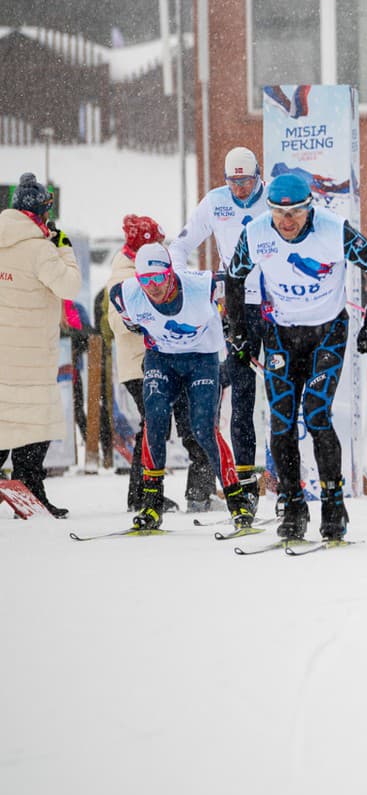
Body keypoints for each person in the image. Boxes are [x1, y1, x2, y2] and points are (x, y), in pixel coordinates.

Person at [226, 171, 367, 542]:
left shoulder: (333, 230)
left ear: (309, 208)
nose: (286, 221)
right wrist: (238, 330)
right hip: (282, 336)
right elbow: (234, 279)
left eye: (296, 213)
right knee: (281, 423)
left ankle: (333, 504)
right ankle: (293, 504)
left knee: (316, 413)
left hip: (327, 333)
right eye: (278, 213)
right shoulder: (256, 234)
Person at [110, 245, 251, 531]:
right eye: (145, 280)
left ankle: (238, 501)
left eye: (158, 279)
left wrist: (235, 325)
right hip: (162, 360)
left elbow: (239, 279)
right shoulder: (124, 294)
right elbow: (129, 320)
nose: (153, 288)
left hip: (202, 360)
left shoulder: (201, 285)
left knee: (202, 428)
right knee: (155, 417)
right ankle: (151, 503)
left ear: (171, 273)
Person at [170, 147, 269, 503]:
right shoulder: (215, 202)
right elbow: (178, 248)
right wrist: (202, 285)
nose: (240, 189)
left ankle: (289, 479)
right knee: (242, 398)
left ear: (258, 174)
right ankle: (244, 484)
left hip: (275, 308)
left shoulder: (274, 198)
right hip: (238, 308)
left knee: (282, 393)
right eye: (233, 182)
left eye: (246, 181)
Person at [104, 214, 212, 512]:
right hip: (143, 363)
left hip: (166, 358)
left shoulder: (142, 267)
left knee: (185, 425)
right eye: (159, 242)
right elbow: (119, 321)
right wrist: (149, 323)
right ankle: (143, 494)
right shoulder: (125, 274)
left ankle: (195, 491)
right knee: (157, 426)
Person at [0, 173, 81, 518]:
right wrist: (63, 248)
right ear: (40, 213)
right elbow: (70, 286)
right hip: (31, 359)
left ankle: (24, 489)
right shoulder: (40, 249)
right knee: (35, 430)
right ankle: (30, 489)